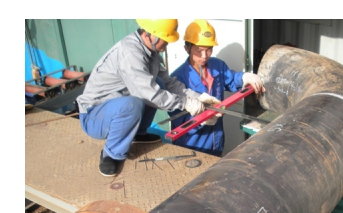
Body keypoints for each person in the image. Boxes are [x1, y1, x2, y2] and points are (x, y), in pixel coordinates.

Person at [76, 19, 220, 177]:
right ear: (150, 35)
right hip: (94, 116)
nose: (167, 44)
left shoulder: (151, 53)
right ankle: (110, 153)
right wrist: (186, 103)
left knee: (158, 83)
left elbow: (168, 83)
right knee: (134, 103)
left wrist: (198, 98)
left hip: (115, 108)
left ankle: (138, 133)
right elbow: (149, 94)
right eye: (165, 40)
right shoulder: (130, 53)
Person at [169, 19, 265, 156]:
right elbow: (177, 121)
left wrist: (245, 77)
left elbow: (231, 79)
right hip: (190, 146)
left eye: (209, 50)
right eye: (199, 50)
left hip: (216, 142)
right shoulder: (177, 79)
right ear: (187, 49)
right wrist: (199, 121)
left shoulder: (217, 66)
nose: (204, 56)